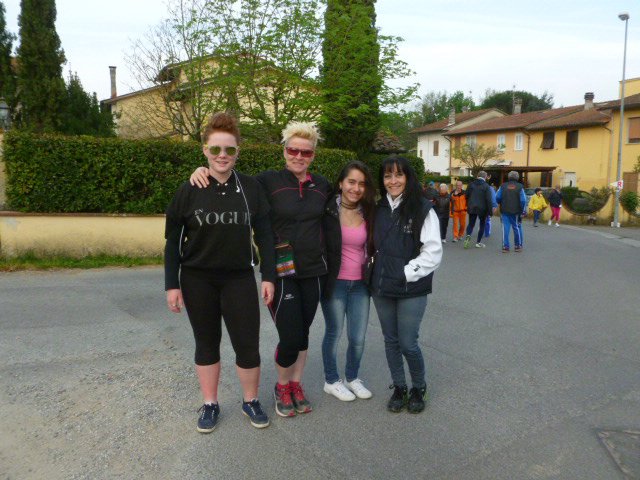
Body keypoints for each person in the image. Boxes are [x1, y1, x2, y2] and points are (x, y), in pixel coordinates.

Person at [189, 121, 331, 418]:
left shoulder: (322, 186)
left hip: (314, 270)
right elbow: (228, 177)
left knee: (303, 334)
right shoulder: (266, 181)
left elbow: (351, 201)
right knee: (290, 336)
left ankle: (295, 384)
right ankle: (282, 386)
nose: (299, 156)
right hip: (281, 270)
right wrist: (201, 171)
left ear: (313, 155)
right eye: (293, 150)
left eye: (306, 152)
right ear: (284, 151)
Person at [164, 112, 276, 433]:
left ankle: (250, 401)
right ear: (205, 150)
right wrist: (172, 285)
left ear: (238, 152)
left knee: (247, 344)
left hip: (239, 278)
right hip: (197, 279)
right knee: (206, 343)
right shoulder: (190, 188)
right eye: (215, 149)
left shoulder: (251, 188)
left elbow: (265, 236)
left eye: (229, 149)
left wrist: (269, 276)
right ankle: (210, 403)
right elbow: (173, 242)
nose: (222, 155)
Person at [370, 156, 442, 414]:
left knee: (408, 343)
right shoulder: (377, 208)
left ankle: (418, 387)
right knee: (391, 341)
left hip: (411, 287)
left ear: (408, 177)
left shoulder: (422, 208)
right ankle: (399, 387)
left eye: (398, 175)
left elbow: (433, 252)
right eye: (387, 175)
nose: (393, 181)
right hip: (381, 288)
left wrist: (405, 273)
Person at [321, 161, 376, 402]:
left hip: (361, 284)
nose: (356, 188)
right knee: (334, 333)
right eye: (351, 182)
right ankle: (331, 380)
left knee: (358, 338)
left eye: (361, 183)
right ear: (341, 183)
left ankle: (352, 377)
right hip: (335, 283)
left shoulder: (369, 211)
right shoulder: (327, 210)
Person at [496, 170, 527, 252]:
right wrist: (523, 211)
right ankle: (517, 246)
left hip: (504, 210)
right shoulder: (520, 187)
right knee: (516, 227)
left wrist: (500, 202)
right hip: (516, 211)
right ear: (517, 178)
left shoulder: (502, 186)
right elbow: (523, 200)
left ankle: (505, 247)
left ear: (508, 177)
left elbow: (497, 197)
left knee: (505, 228)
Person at [463, 171, 494, 249]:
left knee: (471, 224)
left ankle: (468, 236)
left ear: (477, 176)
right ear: (485, 177)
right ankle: (478, 242)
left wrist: (469, 203)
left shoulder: (471, 184)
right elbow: (489, 200)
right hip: (483, 209)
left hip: (472, 206)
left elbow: (466, 195)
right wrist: (490, 212)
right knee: (482, 224)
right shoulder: (486, 186)